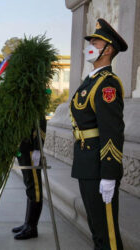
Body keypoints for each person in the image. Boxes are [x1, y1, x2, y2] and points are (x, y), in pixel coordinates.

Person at [70, 18, 127, 250]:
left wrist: (109, 174)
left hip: (98, 165)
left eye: (95, 41)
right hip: (86, 161)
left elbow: (112, 132)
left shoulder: (107, 85)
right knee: (97, 229)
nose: (90, 45)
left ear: (108, 49)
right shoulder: (91, 81)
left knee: (107, 233)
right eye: (91, 40)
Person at [12, 118, 46, 240]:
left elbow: (40, 121)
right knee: (29, 184)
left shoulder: (34, 98)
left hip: (32, 148)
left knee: (35, 187)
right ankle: (27, 223)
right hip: (23, 148)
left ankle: (32, 227)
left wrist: (38, 147)